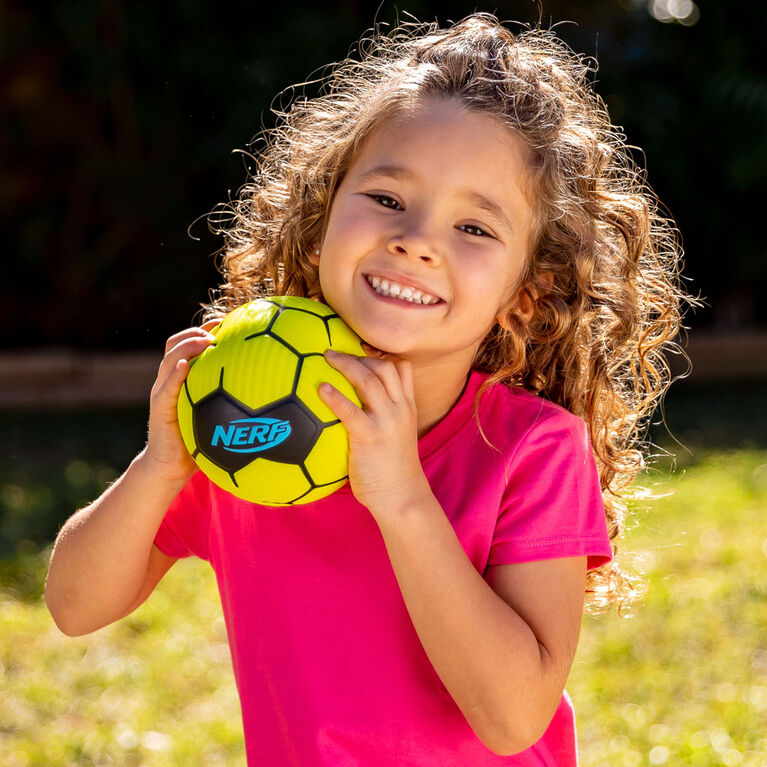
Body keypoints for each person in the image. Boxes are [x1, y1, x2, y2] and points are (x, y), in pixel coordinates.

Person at [45, 13, 691, 766]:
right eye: (386, 199)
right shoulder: (251, 428)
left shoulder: (529, 449)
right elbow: (72, 606)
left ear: (528, 291)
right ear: (320, 222)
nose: (415, 239)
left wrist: (403, 499)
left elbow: (514, 717)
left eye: (474, 228)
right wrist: (161, 467)